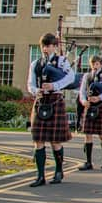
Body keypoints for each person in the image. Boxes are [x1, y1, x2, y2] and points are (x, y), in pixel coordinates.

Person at [27, 33, 75, 187]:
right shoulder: (36, 63)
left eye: (48, 46)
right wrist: (35, 91)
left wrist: (54, 86)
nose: (46, 49)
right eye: (43, 46)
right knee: (38, 140)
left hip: (55, 100)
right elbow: (30, 83)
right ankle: (40, 176)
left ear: (55, 46)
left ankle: (59, 171)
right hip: (41, 101)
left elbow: (71, 78)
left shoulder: (61, 62)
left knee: (55, 141)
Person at [78, 55, 102, 171]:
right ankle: (88, 162)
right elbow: (82, 91)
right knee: (88, 134)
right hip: (89, 107)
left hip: (100, 106)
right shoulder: (87, 76)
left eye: (97, 64)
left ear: (101, 64)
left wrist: (100, 97)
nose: (94, 66)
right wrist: (84, 101)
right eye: (93, 64)